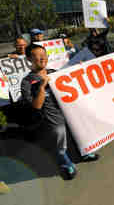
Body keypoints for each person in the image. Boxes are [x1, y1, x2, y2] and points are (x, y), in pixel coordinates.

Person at [21, 44, 99, 180]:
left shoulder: (54, 72)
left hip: (69, 112)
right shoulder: (27, 82)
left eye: (43, 54)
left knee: (79, 130)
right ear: (29, 59)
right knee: (59, 136)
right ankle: (65, 163)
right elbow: (36, 106)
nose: (42, 58)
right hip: (52, 119)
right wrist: (42, 87)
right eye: (37, 56)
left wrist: (79, 69)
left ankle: (85, 153)